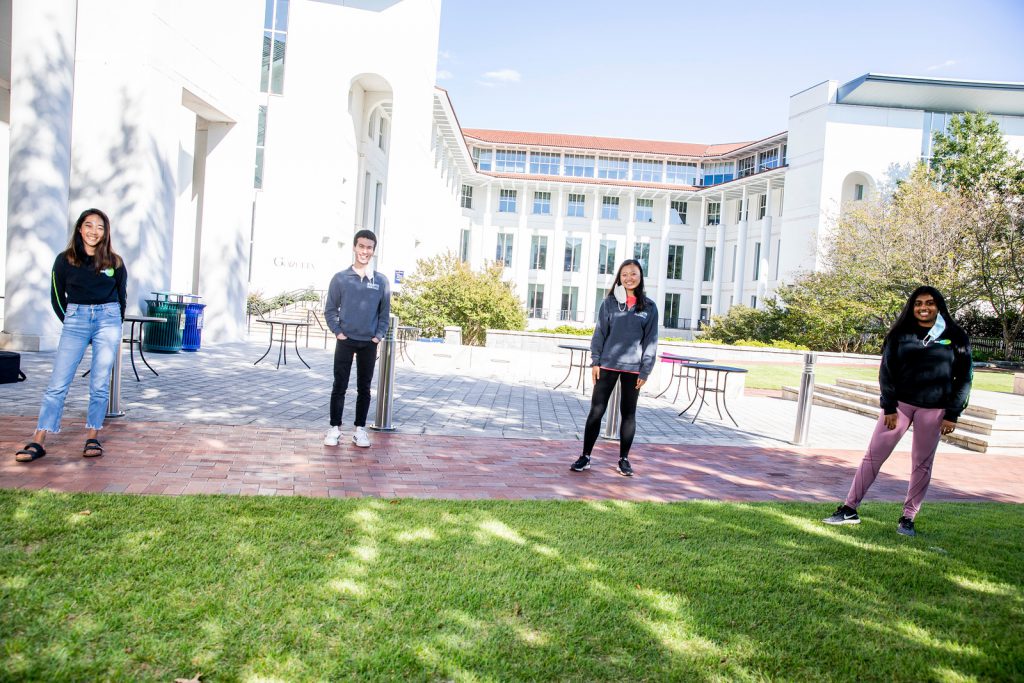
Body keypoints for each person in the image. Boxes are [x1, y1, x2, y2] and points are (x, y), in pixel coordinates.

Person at [823, 286, 972, 536]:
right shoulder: (900, 334)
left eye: (930, 303)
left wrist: (952, 413)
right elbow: (887, 371)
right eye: (918, 303)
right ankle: (849, 509)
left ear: (939, 306)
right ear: (912, 307)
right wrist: (889, 406)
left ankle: (908, 518)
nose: (924, 308)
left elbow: (964, 378)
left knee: (922, 465)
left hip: (934, 410)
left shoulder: (955, 336)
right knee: (873, 457)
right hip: (900, 407)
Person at [15, 209, 128, 462]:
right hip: (75, 320)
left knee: (99, 384)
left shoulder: (115, 262)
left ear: (106, 232)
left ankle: (92, 436)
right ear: (80, 228)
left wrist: (115, 323)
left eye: (100, 227)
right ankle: (38, 439)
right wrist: (70, 319)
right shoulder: (65, 260)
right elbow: (56, 296)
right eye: (89, 225)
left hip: (107, 321)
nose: (94, 231)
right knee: (57, 384)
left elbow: (121, 298)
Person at [570, 259, 658, 477]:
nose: (629, 278)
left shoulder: (649, 307)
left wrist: (645, 370)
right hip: (607, 365)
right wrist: (595, 361)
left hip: (633, 370)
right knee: (596, 411)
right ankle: (586, 456)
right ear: (619, 277)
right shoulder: (609, 303)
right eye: (624, 274)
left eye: (633, 274)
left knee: (628, 414)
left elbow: (651, 341)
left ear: (640, 276)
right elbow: (600, 333)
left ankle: (624, 459)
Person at [323, 229, 391, 448]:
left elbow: (384, 314)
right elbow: (330, 309)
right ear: (354, 247)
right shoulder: (341, 278)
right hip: (345, 339)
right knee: (339, 385)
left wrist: (378, 336)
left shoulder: (380, 281)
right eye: (361, 246)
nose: (365, 251)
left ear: (374, 251)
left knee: (364, 387)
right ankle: (334, 428)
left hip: (368, 343)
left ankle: (360, 430)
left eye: (369, 247)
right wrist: (338, 331)